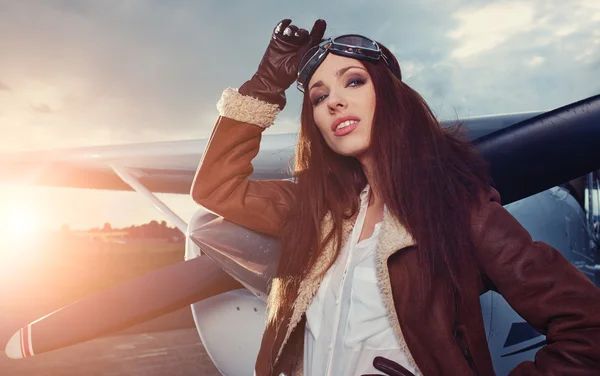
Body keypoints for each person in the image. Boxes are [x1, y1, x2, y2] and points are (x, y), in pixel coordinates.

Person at [191, 19, 600, 376]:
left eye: (353, 81)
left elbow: (587, 328)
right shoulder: (316, 212)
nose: (333, 100)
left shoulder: (462, 213)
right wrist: (266, 84)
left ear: (390, 96)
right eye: (318, 97)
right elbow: (215, 188)